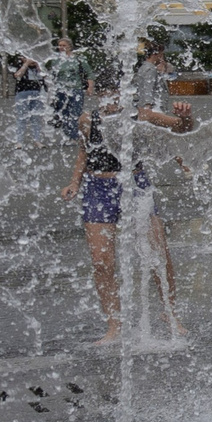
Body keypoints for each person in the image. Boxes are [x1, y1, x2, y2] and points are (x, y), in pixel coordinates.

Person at [62, 70, 192, 346]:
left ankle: (170, 314)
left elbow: (180, 129)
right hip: (98, 189)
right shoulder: (87, 120)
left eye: (118, 95)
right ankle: (115, 325)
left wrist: (185, 115)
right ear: (98, 96)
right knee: (101, 263)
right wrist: (74, 182)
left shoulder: (141, 116)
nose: (112, 101)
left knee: (159, 252)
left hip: (135, 184)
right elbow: (84, 152)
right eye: (107, 95)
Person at [13, 56, 47, 145]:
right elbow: (17, 75)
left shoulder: (38, 66)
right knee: (22, 117)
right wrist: (26, 64)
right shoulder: (20, 65)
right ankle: (19, 141)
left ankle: (37, 140)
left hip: (38, 93)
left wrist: (38, 65)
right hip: (22, 93)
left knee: (36, 117)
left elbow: (45, 76)